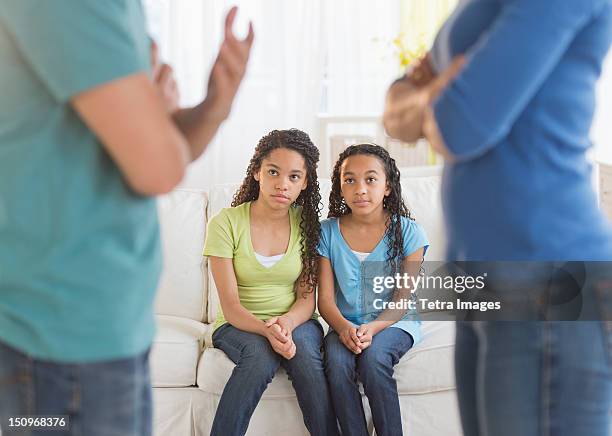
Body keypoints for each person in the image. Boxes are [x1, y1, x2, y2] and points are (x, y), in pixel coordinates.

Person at [0, 2, 253, 435]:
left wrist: (216, 103)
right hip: (56, 342)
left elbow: (153, 151)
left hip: (107, 330)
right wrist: (158, 122)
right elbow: (158, 165)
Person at [383, 1, 612, 435]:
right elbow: (396, 113)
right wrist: (435, 96)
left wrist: (431, 101)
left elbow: (460, 125)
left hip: (545, 275)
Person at [203, 129, 339, 436]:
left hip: (297, 319)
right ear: (257, 173)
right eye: (273, 172)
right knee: (260, 357)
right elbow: (231, 305)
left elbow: (307, 299)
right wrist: (267, 330)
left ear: (305, 183)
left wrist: (286, 324)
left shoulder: (307, 226)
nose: (282, 184)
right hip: (238, 324)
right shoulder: (225, 223)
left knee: (305, 357)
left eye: (294, 177)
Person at [318, 144, 428, 436]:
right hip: (344, 325)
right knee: (337, 364)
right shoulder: (326, 232)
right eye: (350, 180)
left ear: (387, 187)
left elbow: (403, 299)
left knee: (374, 358)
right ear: (340, 187)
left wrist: (374, 327)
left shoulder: (409, 233)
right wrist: (343, 328)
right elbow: (325, 301)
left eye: (370, 179)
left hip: (394, 322)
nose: (360, 189)